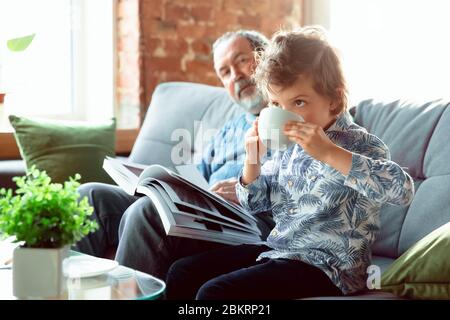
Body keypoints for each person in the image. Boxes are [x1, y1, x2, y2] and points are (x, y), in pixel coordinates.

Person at [164, 26, 415, 300]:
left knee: (215, 294)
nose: (286, 115)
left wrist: (329, 153)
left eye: (298, 102)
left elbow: (402, 190)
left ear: (333, 100)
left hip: (330, 268)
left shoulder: (359, 144)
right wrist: (252, 160)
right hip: (279, 251)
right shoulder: (286, 149)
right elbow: (256, 205)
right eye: (276, 104)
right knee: (181, 272)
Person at [73, 30, 274, 279]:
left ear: (267, 58)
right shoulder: (228, 129)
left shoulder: (291, 118)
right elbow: (195, 180)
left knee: (148, 211)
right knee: (90, 196)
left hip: (249, 224)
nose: (236, 76)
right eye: (225, 72)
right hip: (204, 215)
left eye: (241, 60)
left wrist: (249, 188)